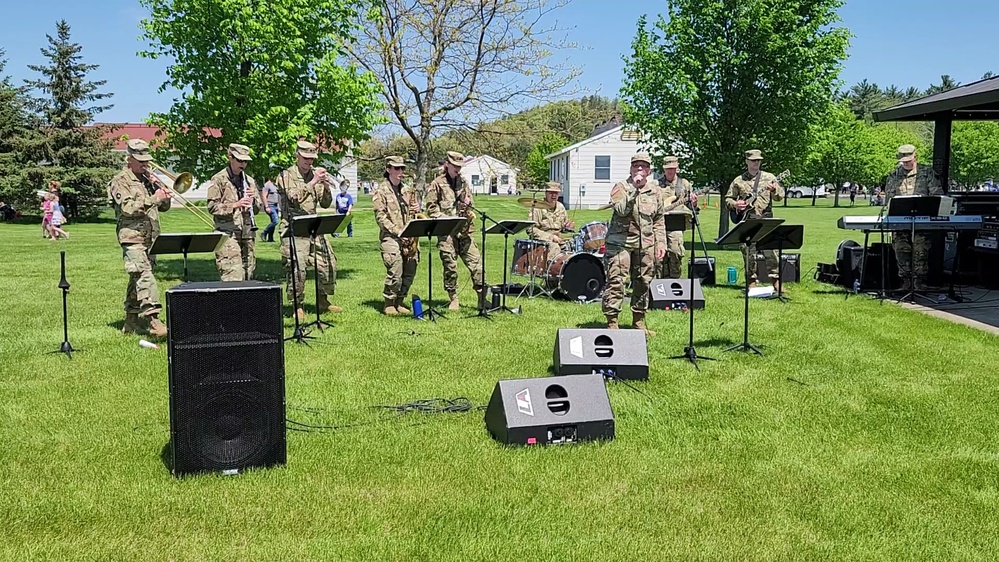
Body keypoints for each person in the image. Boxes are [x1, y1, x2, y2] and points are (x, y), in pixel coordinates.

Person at [108, 139, 172, 337]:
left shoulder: (147, 180)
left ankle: (131, 322)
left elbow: (164, 207)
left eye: (147, 160)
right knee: (145, 277)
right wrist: (155, 198)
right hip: (132, 237)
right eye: (140, 160)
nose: (145, 164)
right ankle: (154, 320)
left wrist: (163, 194)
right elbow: (128, 209)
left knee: (137, 277)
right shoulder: (120, 181)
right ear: (129, 159)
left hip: (150, 238)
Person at [601, 152, 667, 336]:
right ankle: (612, 322)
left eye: (643, 166)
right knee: (617, 282)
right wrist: (634, 191)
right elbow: (621, 210)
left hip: (645, 245)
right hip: (620, 244)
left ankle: (638, 321)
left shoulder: (655, 191)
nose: (639, 168)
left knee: (643, 282)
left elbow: (659, 220)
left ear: (649, 170)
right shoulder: (621, 188)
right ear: (631, 169)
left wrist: (661, 243)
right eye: (636, 165)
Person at [278, 140, 340, 321]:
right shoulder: (285, 175)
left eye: (312, 158)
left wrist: (326, 186)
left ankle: (323, 299)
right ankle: (298, 305)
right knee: (298, 268)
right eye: (306, 158)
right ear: (297, 155)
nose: (309, 162)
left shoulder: (316, 175)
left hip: (313, 225)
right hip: (294, 227)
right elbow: (293, 198)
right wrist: (313, 182)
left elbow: (325, 203)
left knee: (328, 263)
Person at [425, 150, 484, 311]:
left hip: (464, 231)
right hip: (446, 232)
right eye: (455, 166)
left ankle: (482, 298)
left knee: (477, 265)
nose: (458, 169)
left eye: (460, 166)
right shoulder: (437, 183)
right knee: (450, 266)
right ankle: (453, 298)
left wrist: (468, 204)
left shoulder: (463, 182)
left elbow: (471, 204)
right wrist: (443, 218)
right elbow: (431, 208)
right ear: (447, 164)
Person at [883, 143, 943, 291]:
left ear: (915, 156)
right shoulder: (893, 175)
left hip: (921, 222)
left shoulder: (927, 173)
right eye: (903, 161)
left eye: (908, 160)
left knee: (920, 250)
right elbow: (889, 199)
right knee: (901, 250)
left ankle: (918, 283)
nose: (906, 163)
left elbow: (936, 196)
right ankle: (905, 282)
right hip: (900, 222)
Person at [725, 149, 785, 290]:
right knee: (748, 251)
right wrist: (735, 204)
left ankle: (776, 281)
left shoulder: (770, 177)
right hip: (748, 219)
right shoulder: (738, 181)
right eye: (753, 160)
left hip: (766, 218)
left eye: (758, 160)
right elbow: (728, 199)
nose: (756, 163)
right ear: (747, 161)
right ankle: (751, 279)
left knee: (771, 250)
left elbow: (780, 197)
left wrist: (774, 190)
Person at [372, 156, 420, 315]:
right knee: (396, 268)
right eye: (397, 168)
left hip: (409, 236)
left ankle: (400, 300)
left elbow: (415, 213)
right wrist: (398, 231)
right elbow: (380, 217)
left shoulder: (406, 190)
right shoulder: (381, 191)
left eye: (402, 168)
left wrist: (417, 208)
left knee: (410, 269)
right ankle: (389, 302)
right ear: (388, 169)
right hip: (391, 236)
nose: (401, 171)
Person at [207, 143, 260, 281]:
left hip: (247, 234)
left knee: (248, 277)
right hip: (228, 234)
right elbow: (212, 207)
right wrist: (235, 205)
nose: (243, 164)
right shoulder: (218, 179)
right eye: (239, 160)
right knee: (233, 277)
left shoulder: (249, 181)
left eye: (245, 161)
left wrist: (253, 200)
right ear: (230, 158)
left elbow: (257, 209)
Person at [659, 156, 697, 279]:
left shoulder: (684, 184)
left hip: (676, 223)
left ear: (677, 168)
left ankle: (675, 278)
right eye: (668, 169)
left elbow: (690, 206)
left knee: (675, 251)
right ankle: (663, 279)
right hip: (659, 223)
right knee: (661, 252)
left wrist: (694, 202)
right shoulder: (656, 185)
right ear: (664, 169)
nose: (670, 171)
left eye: (673, 168)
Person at [526, 181, 574, 263]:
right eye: (551, 193)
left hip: (558, 239)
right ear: (546, 193)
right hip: (542, 241)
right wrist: (550, 237)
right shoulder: (538, 207)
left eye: (556, 193)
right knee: (554, 247)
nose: (554, 195)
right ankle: (550, 270)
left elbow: (563, 227)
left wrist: (567, 228)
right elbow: (530, 229)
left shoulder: (561, 207)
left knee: (574, 246)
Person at [260, 177, 280, 242]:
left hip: (276, 205)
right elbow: (263, 195)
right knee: (275, 221)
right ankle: (264, 232)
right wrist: (266, 206)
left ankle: (270, 238)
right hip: (270, 205)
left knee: (273, 221)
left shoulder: (275, 184)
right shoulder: (267, 185)